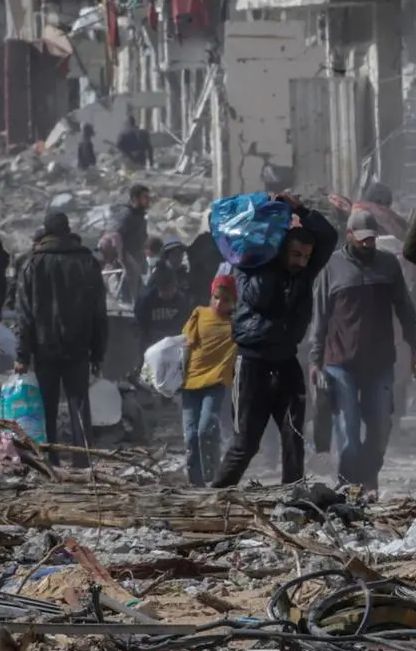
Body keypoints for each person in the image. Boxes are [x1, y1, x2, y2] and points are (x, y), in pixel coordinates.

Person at [211, 201, 339, 487]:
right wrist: (271, 256)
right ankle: (218, 496)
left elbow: (329, 237)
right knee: (245, 442)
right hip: (252, 362)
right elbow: (260, 299)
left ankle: (291, 494)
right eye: (295, 254)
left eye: (306, 256)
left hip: (285, 360)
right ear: (281, 249)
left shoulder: (304, 271)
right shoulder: (251, 265)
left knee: (294, 435)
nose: (301, 262)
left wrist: (300, 209)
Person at [309, 207, 416, 491]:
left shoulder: (388, 265)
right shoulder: (330, 267)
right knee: (348, 431)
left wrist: (415, 349)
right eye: (363, 239)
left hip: (380, 362)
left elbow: (405, 310)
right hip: (339, 361)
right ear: (349, 236)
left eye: (372, 238)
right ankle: (348, 487)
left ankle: (369, 477)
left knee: (381, 426)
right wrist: (314, 359)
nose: (368, 244)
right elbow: (319, 317)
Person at [12, 211, 111, 465]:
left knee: (46, 406)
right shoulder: (87, 262)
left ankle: (49, 459)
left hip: (45, 349)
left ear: (46, 232)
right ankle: (82, 460)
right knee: (79, 404)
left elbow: (24, 314)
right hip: (79, 348)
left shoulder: (32, 264)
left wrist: (23, 354)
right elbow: (99, 311)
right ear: (68, 230)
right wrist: (98, 352)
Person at [181, 273, 239, 485]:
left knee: (206, 429)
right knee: (190, 437)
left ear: (233, 301)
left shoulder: (235, 325)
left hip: (215, 385)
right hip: (189, 384)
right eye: (216, 297)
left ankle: (212, 473)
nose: (218, 303)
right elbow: (185, 344)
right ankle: (195, 485)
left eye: (225, 300)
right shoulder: (199, 314)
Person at [133, 240, 192, 350]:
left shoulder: (184, 278)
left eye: (180, 255)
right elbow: (139, 323)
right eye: (175, 255)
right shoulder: (154, 282)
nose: (178, 258)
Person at [110, 185, 152, 298]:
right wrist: (124, 258)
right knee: (129, 296)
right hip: (127, 261)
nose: (148, 200)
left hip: (138, 258)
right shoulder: (127, 215)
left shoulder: (140, 216)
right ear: (135, 199)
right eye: (145, 197)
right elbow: (116, 236)